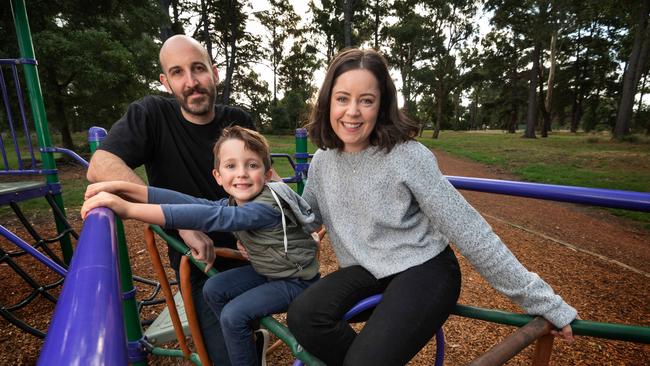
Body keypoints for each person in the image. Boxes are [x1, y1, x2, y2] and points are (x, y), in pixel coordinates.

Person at [286, 48, 578, 366]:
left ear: (381, 105)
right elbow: (306, 216)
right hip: (366, 270)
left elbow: (469, 230)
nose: (352, 112)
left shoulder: (407, 156)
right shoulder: (323, 161)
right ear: (328, 100)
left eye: (366, 100)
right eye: (343, 98)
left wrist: (541, 300)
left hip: (425, 270)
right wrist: (260, 202)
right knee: (303, 315)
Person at [82, 126, 320, 366]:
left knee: (233, 315)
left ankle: (242, 350)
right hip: (270, 272)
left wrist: (129, 209)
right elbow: (194, 203)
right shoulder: (236, 200)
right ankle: (247, 343)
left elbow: (212, 218)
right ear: (218, 176)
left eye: (252, 165)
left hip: (295, 280)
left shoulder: (263, 207)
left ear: (268, 174)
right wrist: (123, 188)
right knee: (213, 288)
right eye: (231, 166)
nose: (242, 174)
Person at [86, 35, 258, 365]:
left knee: (312, 319)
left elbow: (269, 180)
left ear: (215, 73)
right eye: (178, 73)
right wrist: (182, 223)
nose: (191, 82)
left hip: (254, 249)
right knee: (226, 356)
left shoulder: (237, 121)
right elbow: (101, 165)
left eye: (198, 69)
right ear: (166, 82)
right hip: (199, 263)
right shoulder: (152, 115)